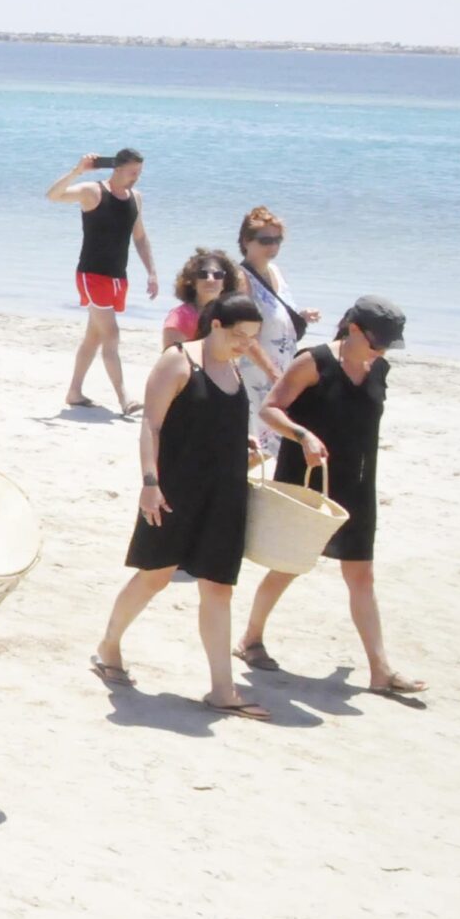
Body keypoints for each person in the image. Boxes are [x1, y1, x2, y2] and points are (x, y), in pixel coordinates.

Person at [92, 293, 269, 718]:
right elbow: (151, 426)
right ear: (216, 326)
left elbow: (215, 421)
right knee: (155, 575)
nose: (246, 345)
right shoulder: (178, 361)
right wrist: (149, 483)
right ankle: (109, 644)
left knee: (218, 586)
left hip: (225, 491)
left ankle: (222, 689)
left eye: (253, 338)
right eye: (240, 336)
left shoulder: (234, 367)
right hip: (174, 489)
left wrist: (243, 445)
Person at [236, 298, 424, 695]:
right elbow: (271, 410)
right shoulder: (313, 362)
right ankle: (250, 638)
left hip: (357, 485)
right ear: (354, 329)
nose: (383, 351)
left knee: (362, 575)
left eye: (389, 345)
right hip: (308, 480)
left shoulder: (379, 369)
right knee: (290, 564)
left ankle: (380, 670)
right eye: (378, 342)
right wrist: (303, 435)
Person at [46, 150, 159, 413]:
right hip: (92, 274)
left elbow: (140, 237)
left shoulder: (136, 199)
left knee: (94, 337)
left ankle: (74, 392)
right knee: (112, 334)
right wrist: (77, 171)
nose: (136, 178)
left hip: (118, 277)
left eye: (139, 173)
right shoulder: (93, 192)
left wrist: (152, 271)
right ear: (117, 168)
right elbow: (53, 195)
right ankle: (125, 398)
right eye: (133, 172)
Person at [238, 205, 319, 458]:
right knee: (261, 445)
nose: (272, 246)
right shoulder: (242, 279)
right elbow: (244, 335)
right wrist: (272, 372)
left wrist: (301, 316)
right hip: (258, 371)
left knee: (274, 443)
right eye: (265, 240)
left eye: (277, 240)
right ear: (246, 241)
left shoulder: (274, 271)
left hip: (282, 366)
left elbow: (275, 311)